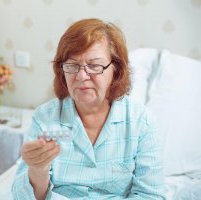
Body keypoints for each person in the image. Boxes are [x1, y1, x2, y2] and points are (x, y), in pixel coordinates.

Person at [12, 18, 166, 199]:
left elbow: (151, 195)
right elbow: (24, 197)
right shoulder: (45, 117)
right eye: (72, 65)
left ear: (115, 70)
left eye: (94, 66)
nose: (82, 76)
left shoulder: (141, 121)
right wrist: (38, 169)